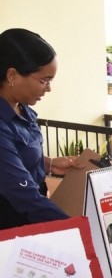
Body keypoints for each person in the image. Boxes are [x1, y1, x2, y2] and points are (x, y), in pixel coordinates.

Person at [0, 28, 81, 230]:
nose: (49, 88)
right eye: (44, 80)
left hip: (32, 217)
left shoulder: (22, 108)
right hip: (11, 226)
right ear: (12, 75)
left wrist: (48, 164)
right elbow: (23, 195)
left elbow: (15, 156)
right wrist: (78, 229)